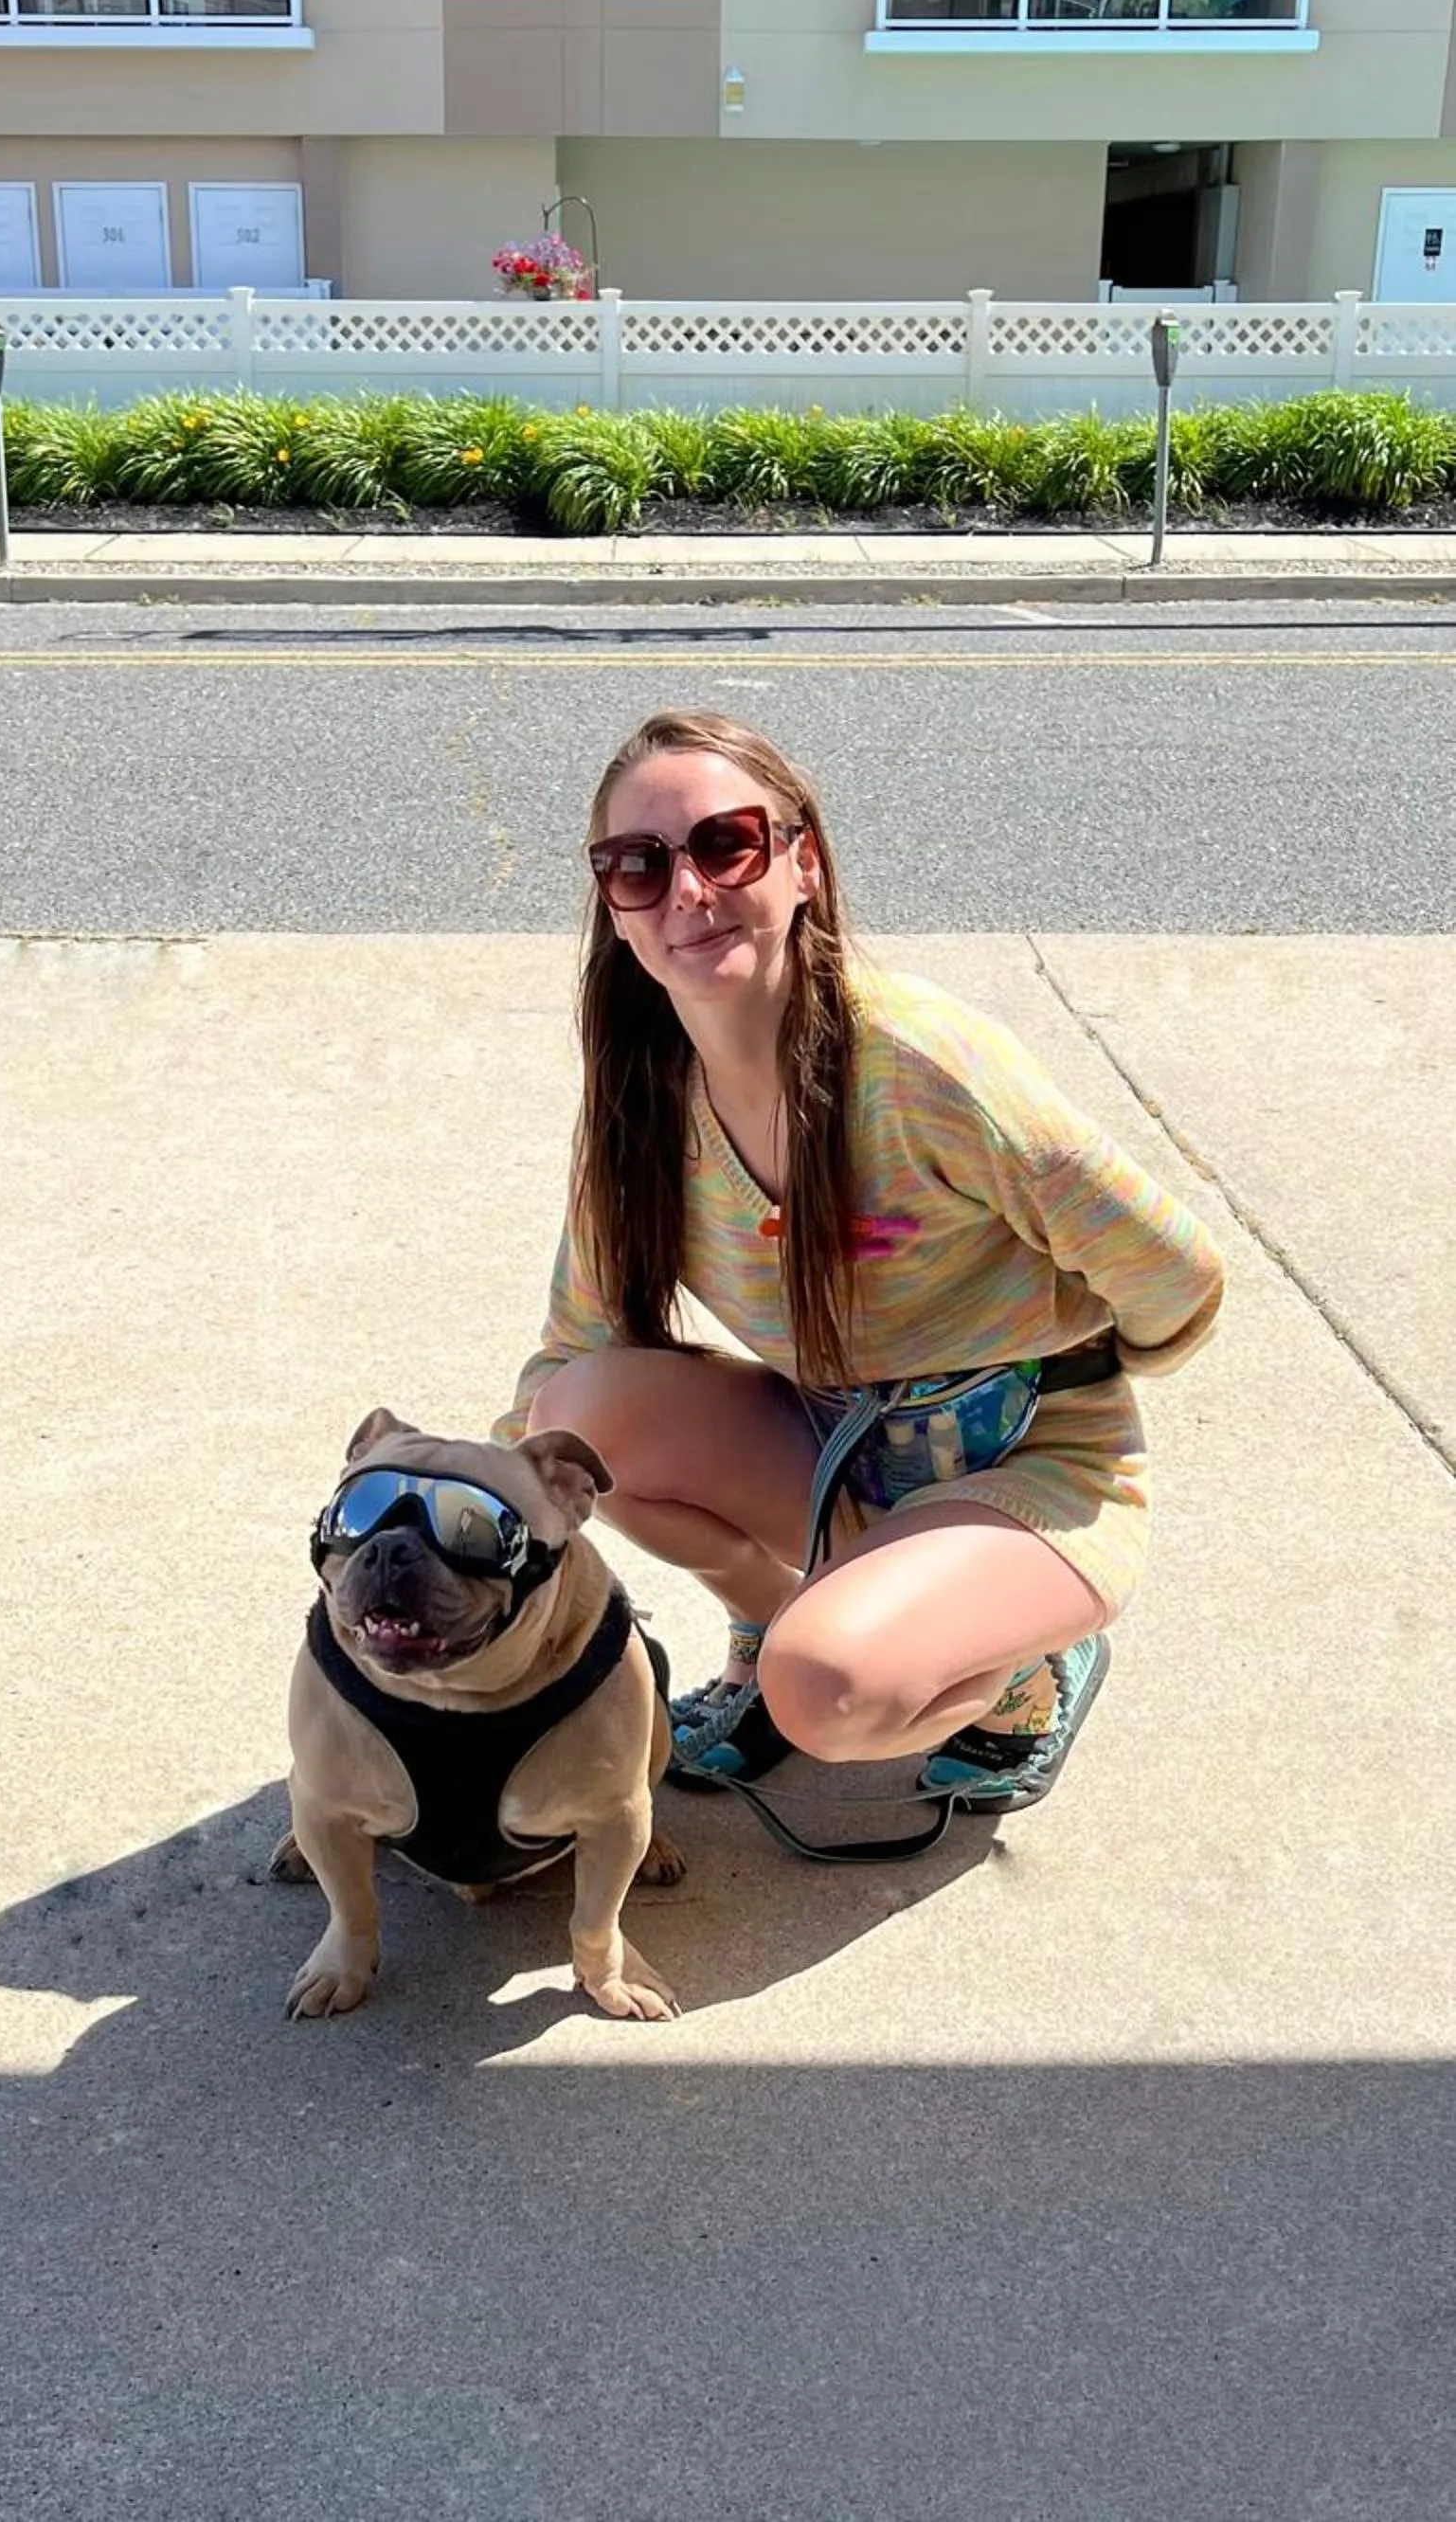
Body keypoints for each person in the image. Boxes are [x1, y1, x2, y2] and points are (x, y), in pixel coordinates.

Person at [495, 710, 1225, 1830]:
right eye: (638, 865)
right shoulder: (644, 1106)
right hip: (841, 1453)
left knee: (827, 1694)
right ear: (615, 909)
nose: (686, 889)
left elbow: (1178, 1274)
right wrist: (471, 1493)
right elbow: (577, 1346)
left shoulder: (925, 1066)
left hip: (1034, 1463)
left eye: (725, 844)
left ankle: (1033, 1670)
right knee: (573, 1418)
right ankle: (775, 1624)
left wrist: (1044, 1371)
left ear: (804, 863)